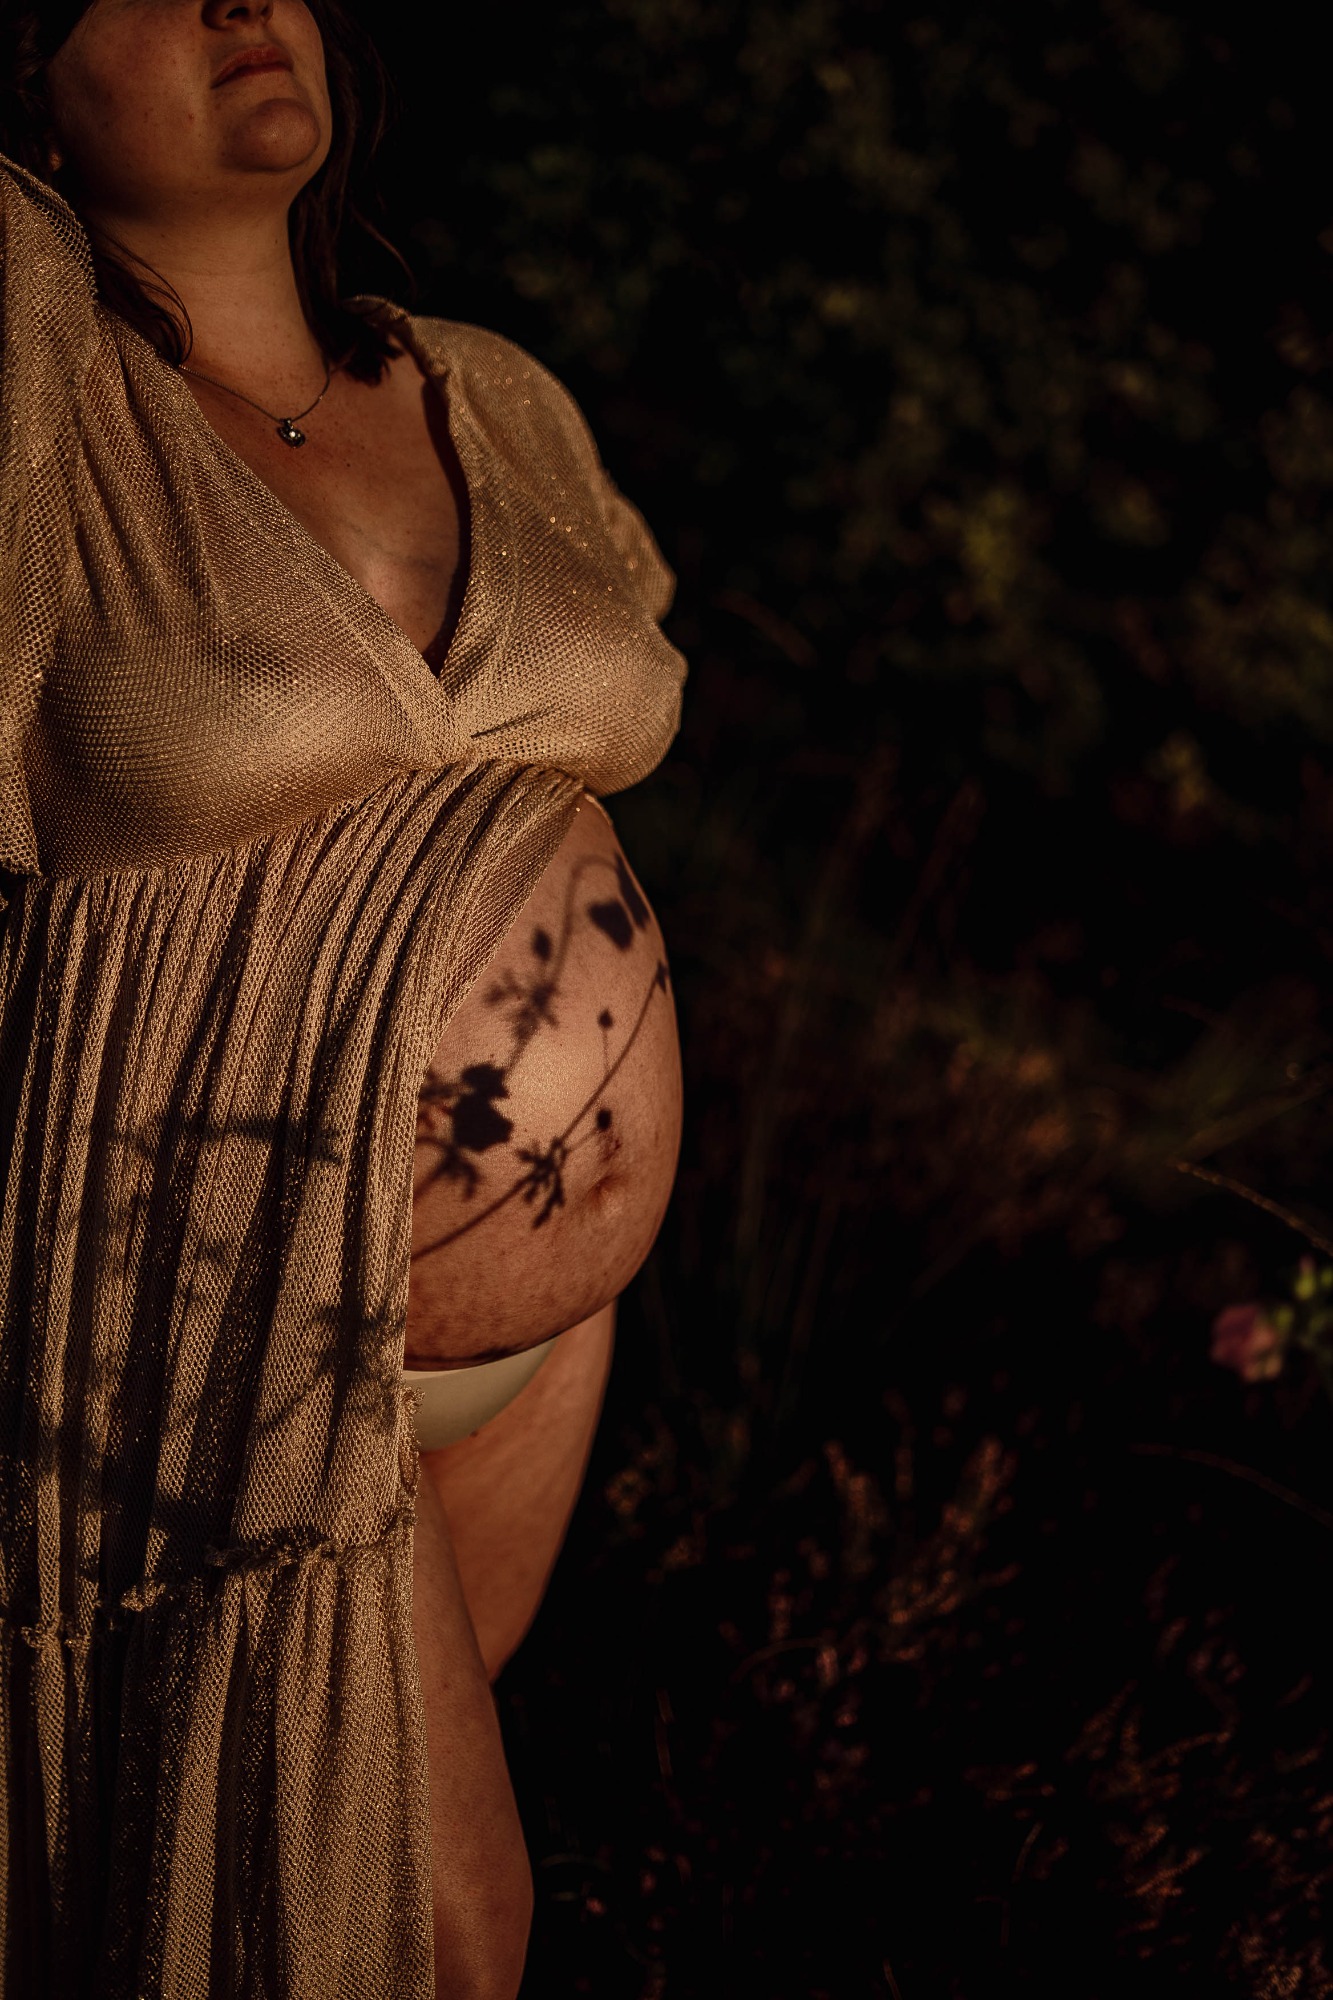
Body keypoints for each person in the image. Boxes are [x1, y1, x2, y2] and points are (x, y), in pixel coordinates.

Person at [0, 1, 685, 1994]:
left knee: (295, 1910)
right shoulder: (44, 374)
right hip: (204, 1262)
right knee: (442, 1929)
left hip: (536, 1328)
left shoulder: (492, 396)